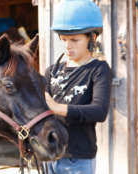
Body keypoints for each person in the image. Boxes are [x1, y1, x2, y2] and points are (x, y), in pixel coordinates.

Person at [44, 0, 112, 174]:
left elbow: (99, 111)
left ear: (93, 37)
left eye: (75, 40)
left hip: (78, 158)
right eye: (64, 39)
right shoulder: (52, 71)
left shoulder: (98, 70)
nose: (67, 46)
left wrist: (57, 108)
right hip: (50, 155)